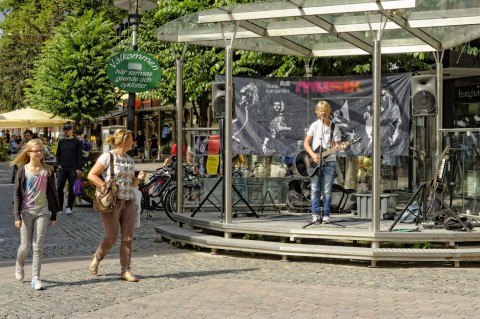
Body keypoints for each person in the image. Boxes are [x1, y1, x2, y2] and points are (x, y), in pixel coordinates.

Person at [87, 129, 147, 282]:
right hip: (112, 203)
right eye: (132, 139)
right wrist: (105, 186)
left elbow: (132, 184)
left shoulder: (130, 160)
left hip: (128, 202)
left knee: (127, 238)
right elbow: (92, 175)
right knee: (111, 237)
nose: (134, 142)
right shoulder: (108, 157)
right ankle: (97, 257)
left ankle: (125, 270)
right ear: (124, 141)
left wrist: (138, 179)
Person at [11, 139, 61, 290]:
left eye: (41, 150)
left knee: (38, 245)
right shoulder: (22, 170)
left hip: (42, 211)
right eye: (36, 150)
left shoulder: (48, 170)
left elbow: (53, 193)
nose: (39, 153)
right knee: (25, 246)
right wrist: (17, 216)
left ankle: (35, 278)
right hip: (26, 212)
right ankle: (19, 264)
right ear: (29, 152)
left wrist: (54, 214)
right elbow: (17, 195)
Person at [303, 101, 345, 224]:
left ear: (329, 112)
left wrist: (341, 147)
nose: (323, 112)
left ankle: (326, 214)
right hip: (315, 161)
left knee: (327, 190)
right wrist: (312, 155)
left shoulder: (334, 127)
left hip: (330, 161)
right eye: (321, 110)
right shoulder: (315, 125)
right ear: (317, 112)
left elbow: (337, 145)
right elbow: (306, 143)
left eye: (325, 110)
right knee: (315, 189)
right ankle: (315, 213)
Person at [56, 123, 83, 215]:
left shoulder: (77, 142)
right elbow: (58, 154)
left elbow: (80, 155)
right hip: (62, 168)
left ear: (72, 130)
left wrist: (79, 168)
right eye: (65, 130)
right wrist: (58, 164)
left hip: (73, 168)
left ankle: (69, 207)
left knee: (72, 188)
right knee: (59, 187)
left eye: (68, 130)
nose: (66, 131)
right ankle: (60, 207)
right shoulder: (61, 142)